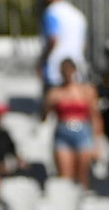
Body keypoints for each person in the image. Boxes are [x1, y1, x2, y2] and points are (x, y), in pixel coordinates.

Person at [43, 58, 102, 188]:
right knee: (65, 177)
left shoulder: (86, 91)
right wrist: (48, 104)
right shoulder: (55, 92)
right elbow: (44, 116)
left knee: (82, 175)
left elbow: (95, 116)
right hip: (64, 132)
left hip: (83, 132)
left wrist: (97, 143)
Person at [38, 0, 89, 90]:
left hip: (55, 71)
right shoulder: (77, 14)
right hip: (76, 71)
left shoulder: (51, 12)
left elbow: (52, 40)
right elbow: (83, 45)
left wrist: (41, 62)